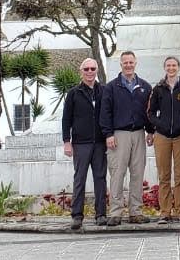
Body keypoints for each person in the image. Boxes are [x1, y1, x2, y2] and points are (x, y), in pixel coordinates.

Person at [101, 51, 153, 226]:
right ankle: (115, 212)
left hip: (138, 133)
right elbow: (105, 112)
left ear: (136, 63)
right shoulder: (111, 87)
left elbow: (149, 112)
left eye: (131, 62)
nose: (128, 65)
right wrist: (108, 134)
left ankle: (135, 212)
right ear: (120, 64)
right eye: (125, 62)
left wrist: (150, 131)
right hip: (118, 135)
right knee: (117, 173)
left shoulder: (145, 86)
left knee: (137, 174)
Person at [149, 56, 180, 224]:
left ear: (178, 67)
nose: (171, 68)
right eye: (168, 65)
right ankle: (165, 211)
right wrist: (159, 124)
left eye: (174, 65)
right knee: (164, 175)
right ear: (164, 67)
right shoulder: (158, 88)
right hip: (162, 136)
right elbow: (150, 112)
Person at [62, 58, 108, 230]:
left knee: (100, 179)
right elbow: (66, 119)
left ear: (96, 70)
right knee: (79, 179)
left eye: (93, 69)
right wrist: (67, 141)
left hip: (100, 143)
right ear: (81, 71)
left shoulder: (103, 91)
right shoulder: (73, 93)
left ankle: (101, 214)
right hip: (81, 143)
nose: (90, 72)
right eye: (86, 69)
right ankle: (77, 215)